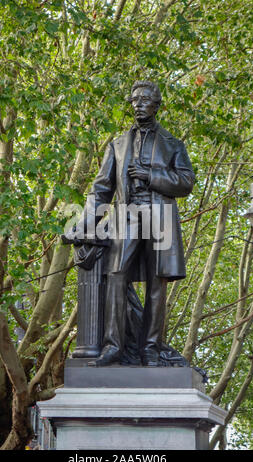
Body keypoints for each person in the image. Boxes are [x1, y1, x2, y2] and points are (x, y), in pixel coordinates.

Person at [69, 81, 195, 367]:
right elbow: (101, 187)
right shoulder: (117, 144)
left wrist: (151, 175)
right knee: (116, 274)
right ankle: (113, 347)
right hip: (127, 215)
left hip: (159, 217)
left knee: (156, 282)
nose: (138, 104)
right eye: (134, 100)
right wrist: (86, 222)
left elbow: (186, 182)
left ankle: (150, 349)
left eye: (144, 100)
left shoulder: (173, 144)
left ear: (156, 105)